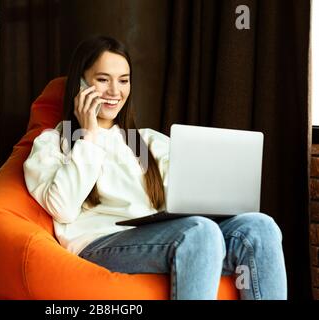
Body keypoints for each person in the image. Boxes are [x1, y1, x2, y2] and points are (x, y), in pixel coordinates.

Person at [23, 35, 287, 300]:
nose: (115, 91)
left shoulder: (143, 142)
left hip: (164, 239)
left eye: (123, 80)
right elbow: (63, 208)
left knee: (260, 227)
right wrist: (89, 135)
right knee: (199, 231)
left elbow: (186, 196)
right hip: (99, 244)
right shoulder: (54, 143)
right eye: (103, 79)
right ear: (80, 85)